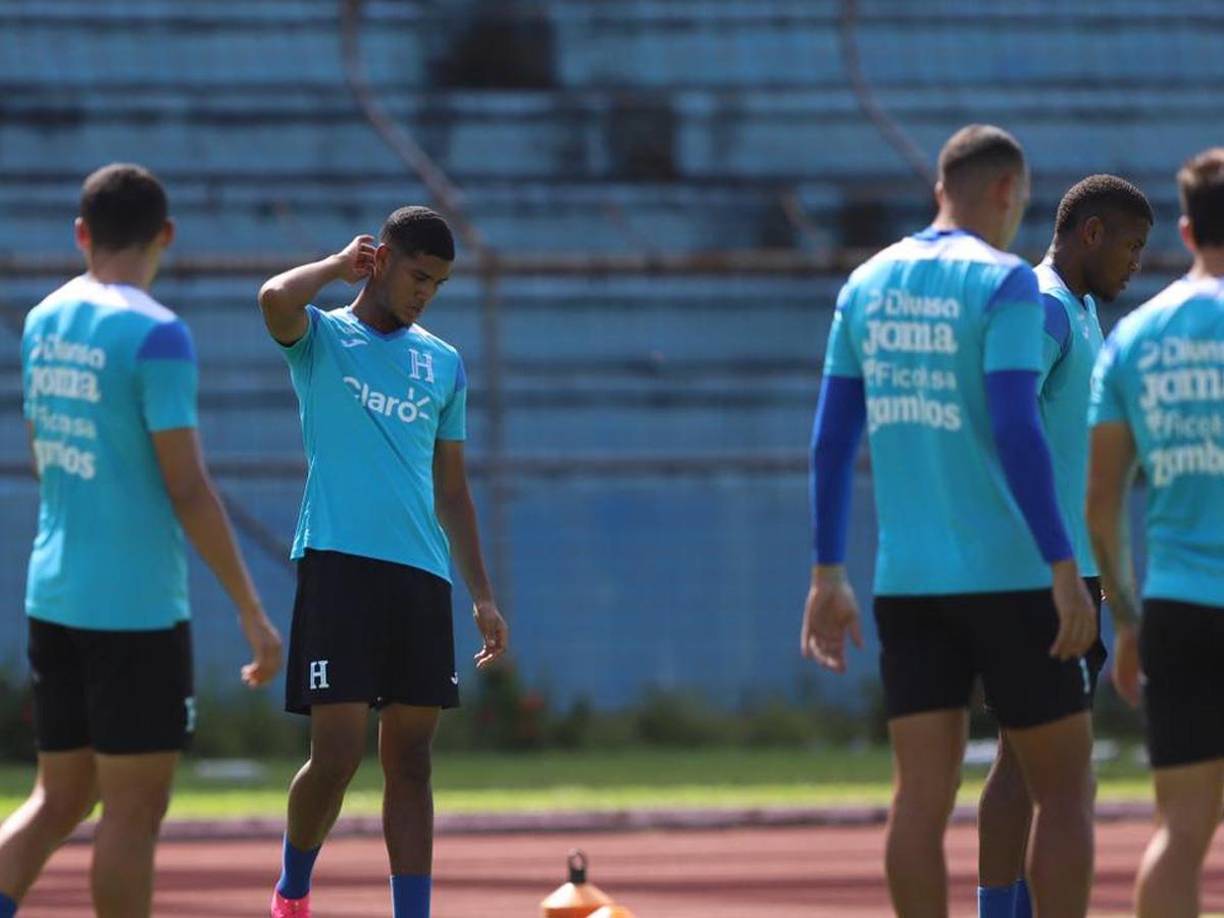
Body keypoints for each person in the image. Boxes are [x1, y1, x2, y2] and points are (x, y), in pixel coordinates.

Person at [802, 124, 1099, 917]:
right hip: (1008, 576)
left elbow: (832, 441)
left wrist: (828, 571)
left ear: (942, 184)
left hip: (907, 582)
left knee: (919, 801)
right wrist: (1063, 565)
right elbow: (1015, 423)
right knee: (1065, 788)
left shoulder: (864, 285)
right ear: (1006, 191)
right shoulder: (1003, 281)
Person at [0, 163, 282, 917]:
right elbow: (185, 484)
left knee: (57, 801)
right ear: (166, 235)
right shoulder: (158, 334)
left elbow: (44, 449)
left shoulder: (41, 320)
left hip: (52, 590)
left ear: (81, 234)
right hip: (132, 608)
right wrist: (252, 611)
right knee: (132, 811)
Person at [259, 206, 508, 918]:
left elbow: (452, 488)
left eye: (439, 283)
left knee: (412, 761)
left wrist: (482, 594)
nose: (426, 292)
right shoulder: (324, 337)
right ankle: (293, 888)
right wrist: (337, 267)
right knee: (335, 757)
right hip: (339, 566)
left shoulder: (444, 363)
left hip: (421, 577)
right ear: (384, 257)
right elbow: (273, 299)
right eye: (419, 275)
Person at [976, 174, 1152, 918]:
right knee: (1065, 779)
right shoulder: (1047, 307)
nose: (1134, 264)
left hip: (1069, 572)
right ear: (1091, 234)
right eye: (1131, 247)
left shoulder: (1080, 311)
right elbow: (998, 424)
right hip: (1045, 579)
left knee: (1024, 764)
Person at [1087, 148, 1224, 918]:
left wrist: (1128, 621)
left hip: (1177, 608)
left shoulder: (1135, 339)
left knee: (1180, 830)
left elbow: (1101, 501)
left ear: (1184, 228)